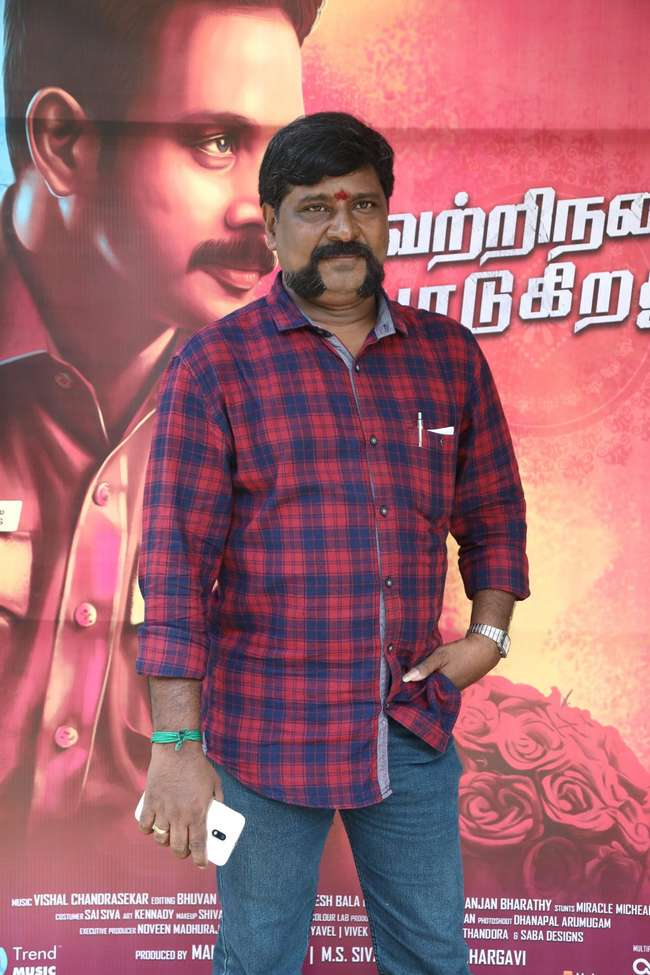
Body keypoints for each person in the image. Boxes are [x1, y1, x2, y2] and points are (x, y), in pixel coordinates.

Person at [137, 111, 530, 975]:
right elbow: (173, 566)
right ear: (272, 225)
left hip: (409, 725)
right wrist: (175, 746)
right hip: (265, 734)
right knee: (259, 955)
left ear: (387, 216)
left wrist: (487, 636)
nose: (343, 227)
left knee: (432, 956)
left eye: (363, 204)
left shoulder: (449, 356)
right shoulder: (216, 366)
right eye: (315, 207)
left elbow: (496, 512)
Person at [0, 0, 321, 841]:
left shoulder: (289, 393)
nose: (268, 209)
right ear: (63, 142)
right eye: (217, 142)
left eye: (284, 157)